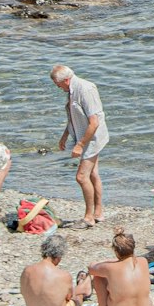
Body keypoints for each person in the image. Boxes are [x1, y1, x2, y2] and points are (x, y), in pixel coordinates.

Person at [50, 64, 110, 226]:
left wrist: (80, 145)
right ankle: (98, 213)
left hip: (93, 138)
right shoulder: (70, 90)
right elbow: (74, 117)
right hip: (83, 136)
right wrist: (65, 136)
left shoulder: (85, 89)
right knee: (93, 174)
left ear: (66, 80)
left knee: (81, 177)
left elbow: (94, 122)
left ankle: (88, 217)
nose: (58, 87)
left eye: (58, 84)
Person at [20, 231, 91, 306]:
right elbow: (69, 297)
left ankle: (84, 286)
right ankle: (85, 287)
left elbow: (24, 292)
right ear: (58, 257)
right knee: (76, 298)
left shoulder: (27, 271)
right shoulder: (63, 275)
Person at [89, 227, 153, 306]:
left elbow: (91, 268)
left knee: (98, 277)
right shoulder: (143, 261)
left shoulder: (109, 268)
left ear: (115, 251)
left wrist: (109, 262)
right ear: (133, 248)